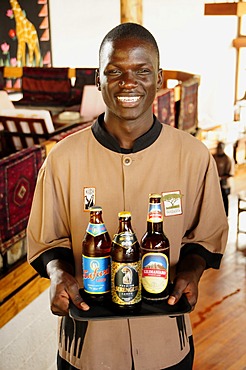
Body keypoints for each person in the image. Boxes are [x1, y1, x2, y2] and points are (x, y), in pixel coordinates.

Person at [27, 23, 228, 370]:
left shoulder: (193, 156)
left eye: (142, 71)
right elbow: (48, 241)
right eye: (115, 71)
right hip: (87, 349)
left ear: (160, 77)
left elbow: (205, 236)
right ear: (98, 78)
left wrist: (193, 271)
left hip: (166, 345)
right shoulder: (63, 158)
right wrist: (58, 272)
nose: (128, 82)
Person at [213, 141, 233, 216]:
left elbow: (229, 173)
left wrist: (221, 177)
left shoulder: (227, 159)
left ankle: (225, 214)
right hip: (214, 182)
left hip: (223, 182)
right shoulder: (213, 157)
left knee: (224, 199)